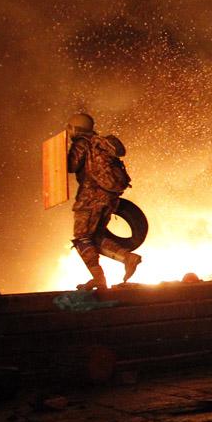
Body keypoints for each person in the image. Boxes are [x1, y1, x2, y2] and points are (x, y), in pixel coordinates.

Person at [66, 113, 141, 290]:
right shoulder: (101, 143)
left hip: (90, 197)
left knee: (82, 238)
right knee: (95, 236)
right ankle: (127, 258)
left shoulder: (82, 143)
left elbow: (71, 166)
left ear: (75, 129)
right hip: (110, 197)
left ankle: (99, 279)